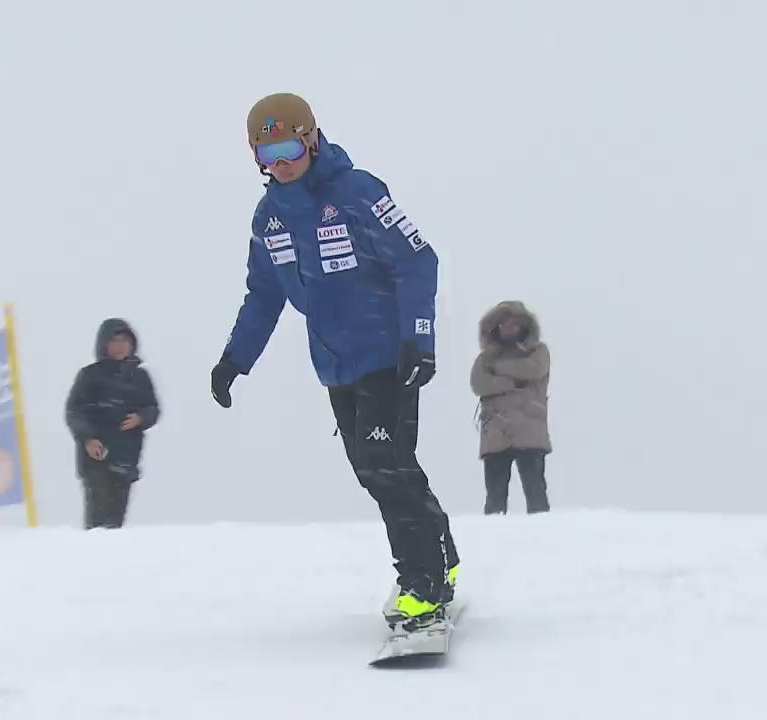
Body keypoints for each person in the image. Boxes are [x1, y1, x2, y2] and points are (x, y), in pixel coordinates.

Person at [209, 92, 459, 631]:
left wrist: (420, 338)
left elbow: (417, 262)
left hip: (388, 356)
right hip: (335, 366)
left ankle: (425, 587)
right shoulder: (270, 217)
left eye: (287, 149)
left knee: (385, 466)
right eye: (265, 154)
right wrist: (234, 360)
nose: (279, 164)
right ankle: (443, 560)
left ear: (311, 140)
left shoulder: (356, 194)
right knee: (379, 471)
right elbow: (263, 296)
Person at [65, 318, 160, 529]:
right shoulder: (90, 375)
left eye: (124, 341)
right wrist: (88, 438)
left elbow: (153, 408)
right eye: (114, 341)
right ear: (103, 344)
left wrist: (141, 418)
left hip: (126, 457)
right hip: (96, 456)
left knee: (115, 521)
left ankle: (111, 560)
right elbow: (74, 411)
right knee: (98, 520)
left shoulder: (140, 377)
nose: (120, 346)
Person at [470, 301, 553, 514]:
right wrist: (513, 384)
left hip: (529, 430)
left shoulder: (538, 352)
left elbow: (533, 370)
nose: (509, 329)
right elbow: (478, 384)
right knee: (495, 496)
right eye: (504, 325)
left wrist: (497, 372)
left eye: (513, 324)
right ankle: (492, 537)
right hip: (497, 432)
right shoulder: (485, 359)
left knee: (535, 492)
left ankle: (544, 535)